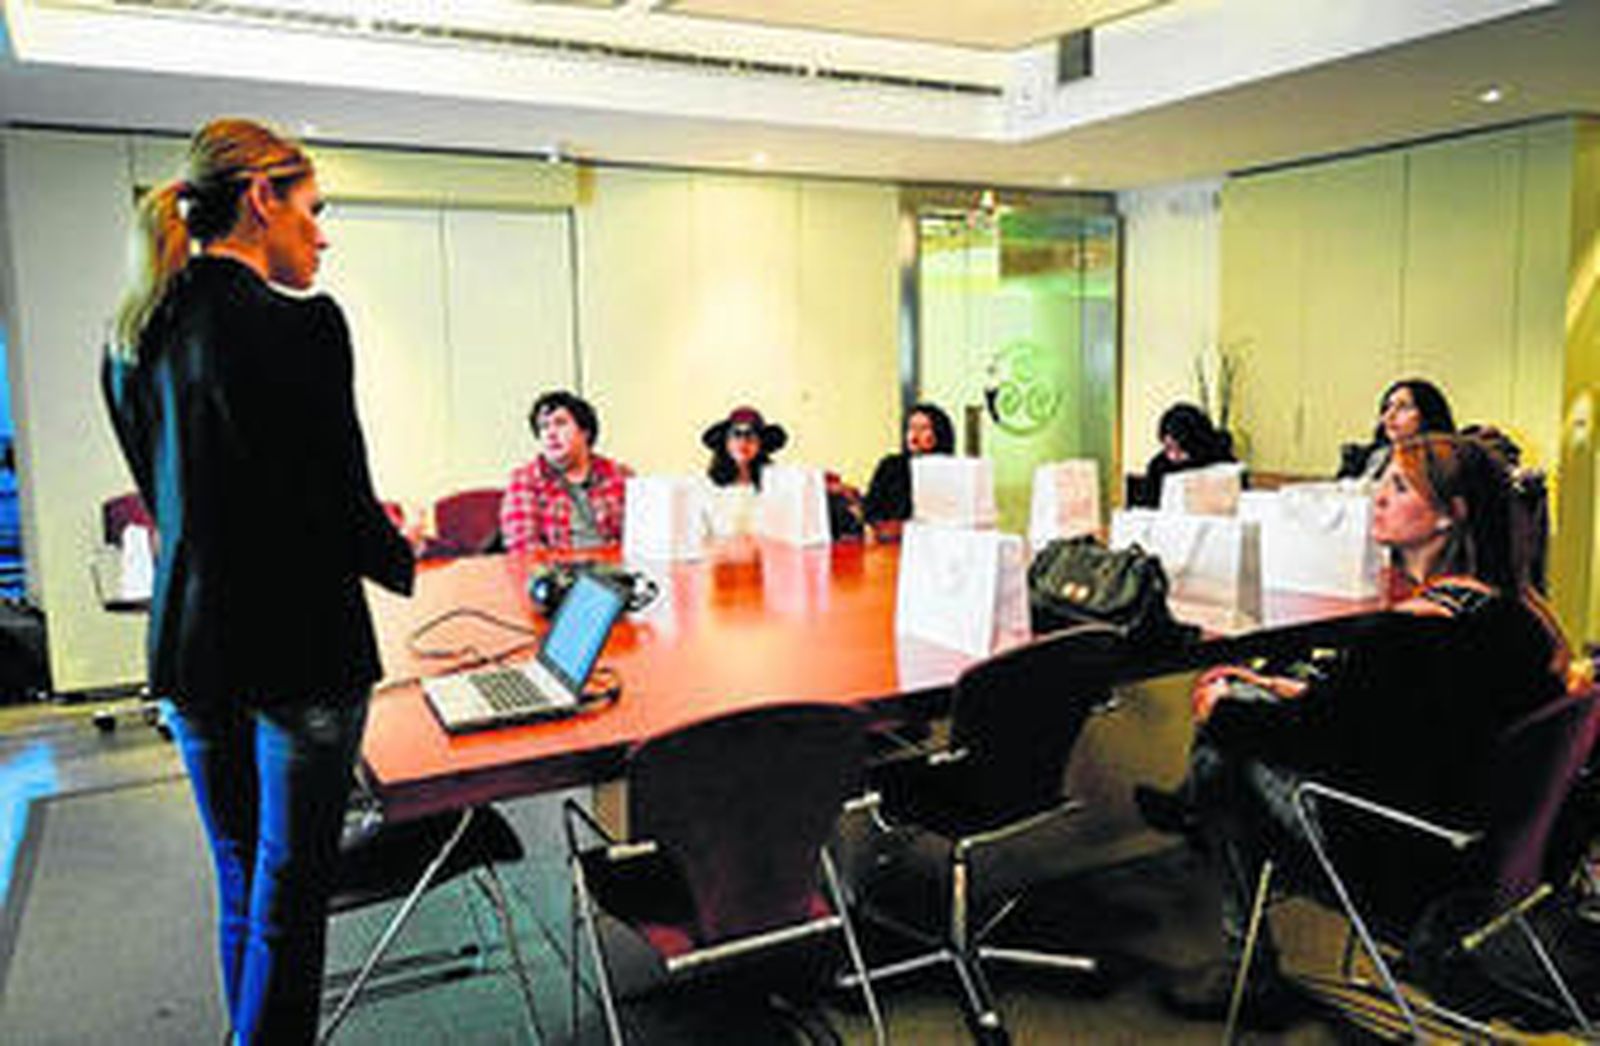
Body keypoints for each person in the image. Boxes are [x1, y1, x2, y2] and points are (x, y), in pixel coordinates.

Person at [100, 118, 416, 1044]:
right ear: (262, 199)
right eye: (312, 210)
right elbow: (338, 495)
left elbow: (170, 495)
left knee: (242, 874)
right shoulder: (305, 323)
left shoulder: (133, 331)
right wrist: (402, 557)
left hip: (192, 647)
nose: (323, 233)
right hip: (301, 647)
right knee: (290, 891)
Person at [1144, 433, 1571, 1026]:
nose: (1378, 498)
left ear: (1451, 515)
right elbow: (1389, 718)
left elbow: (1322, 742)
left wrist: (1226, 709)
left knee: (1221, 752)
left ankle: (1250, 964)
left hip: (1394, 856)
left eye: (1399, 488)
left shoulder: (1405, 635)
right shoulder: (1517, 619)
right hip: (1470, 839)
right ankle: (1200, 828)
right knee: (1248, 703)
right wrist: (1291, 690)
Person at [500, 390, 631, 551]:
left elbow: (641, 538)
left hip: (614, 570)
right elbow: (524, 548)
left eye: (560, 423)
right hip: (556, 572)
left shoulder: (619, 475)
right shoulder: (524, 480)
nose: (550, 434)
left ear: (584, 432)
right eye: (544, 427)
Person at [862, 402, 956, 540]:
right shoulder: (890, 465)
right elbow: (870, 509)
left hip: (935, 541)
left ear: (938, 433)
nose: (915, 435)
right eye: (911, 428)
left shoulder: (949, 469)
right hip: (890, 542)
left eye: (923, 428)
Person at [1336, 377, 1456, 480]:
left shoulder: (1444, 464)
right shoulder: (1371, 457)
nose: (1389, 416)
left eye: (1403, 407)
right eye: (1387, 408)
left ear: (1428, 414)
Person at [699, 405, 787, 538]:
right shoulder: (707, 487)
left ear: (760, 443)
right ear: (726, 441)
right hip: (721, 555)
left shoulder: (774, 484)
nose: (743, 442)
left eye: (751, 435)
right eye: (736, 434)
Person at [1130, 402, 1235, 508]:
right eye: (1168, 448)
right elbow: (1149, 508)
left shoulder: (1222, 463)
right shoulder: (1159, 466)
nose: (1173, 456)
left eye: (1181, 450)